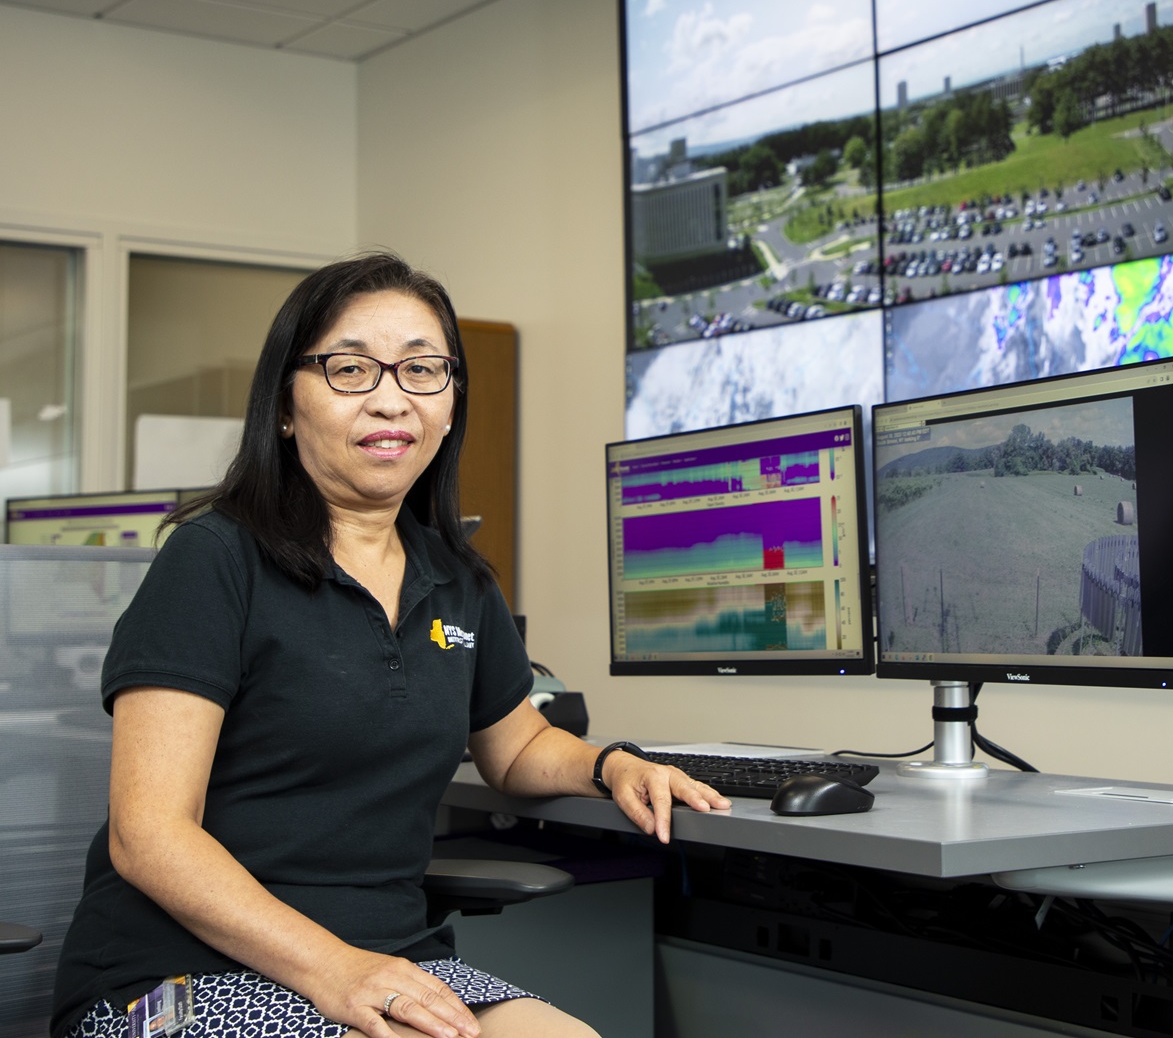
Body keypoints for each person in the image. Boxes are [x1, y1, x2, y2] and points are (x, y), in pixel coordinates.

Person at [52, 252, 727, 1038]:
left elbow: (516, 748)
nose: (391, 399)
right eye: (350, 369)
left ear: (449, 405)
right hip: (181, 972)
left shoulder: (457, 578)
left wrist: (615, 765)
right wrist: (331, 966)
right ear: (283, 404)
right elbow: (148, 833)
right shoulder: (214, 559)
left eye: (421, 370)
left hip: (394, 955)